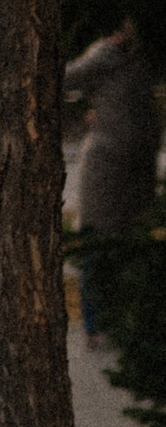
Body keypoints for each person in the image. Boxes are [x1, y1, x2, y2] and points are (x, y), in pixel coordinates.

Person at [62, 18, 160, 347]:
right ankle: (96, 325)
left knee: (127, 244)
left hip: (137, 169)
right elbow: (64, 78)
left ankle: (121, 322)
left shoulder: (142, 60)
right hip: (106, 167)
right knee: (100, 242)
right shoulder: (105, 56)